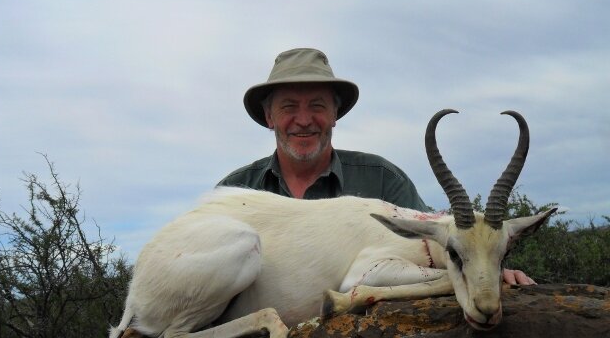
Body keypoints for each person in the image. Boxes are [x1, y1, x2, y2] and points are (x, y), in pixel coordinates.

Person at [217, 47, 534, 285]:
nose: (303, 120)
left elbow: (442, 243)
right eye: (288, 107)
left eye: (317, 106)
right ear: (270, 117)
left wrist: (483, 267)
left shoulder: (383, 180)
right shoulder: (236, 191)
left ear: (335, 115)